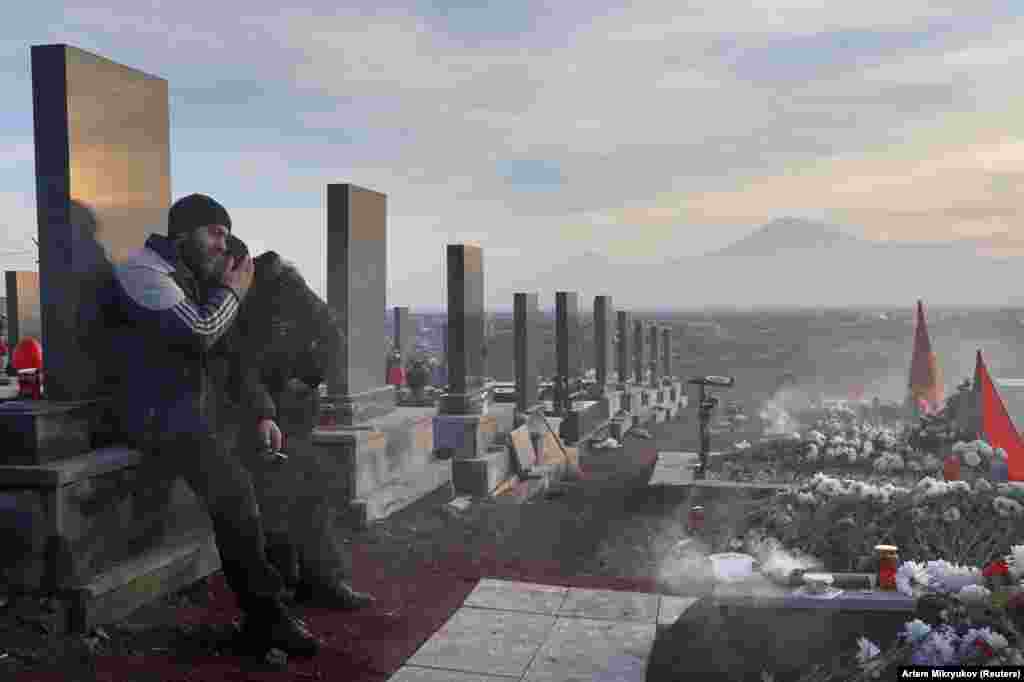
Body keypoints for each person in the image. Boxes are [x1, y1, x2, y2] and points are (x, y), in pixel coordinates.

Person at [100, 193, 320, 657]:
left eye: (225, 233)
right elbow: (201, 332)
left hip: (191, 411)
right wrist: (235, 290)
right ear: (184, 233)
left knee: (279, 468)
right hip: (152, 411)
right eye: (214, 232)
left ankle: (293, 590)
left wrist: (262, 413)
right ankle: (268, 618)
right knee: (234, 490)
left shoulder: (194, 277)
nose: (223, 244)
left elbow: (231, 352)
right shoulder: (144, 269)